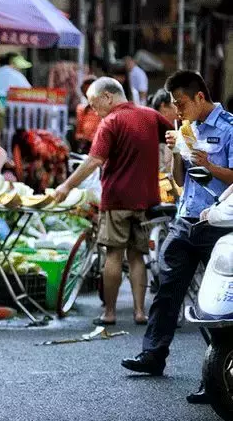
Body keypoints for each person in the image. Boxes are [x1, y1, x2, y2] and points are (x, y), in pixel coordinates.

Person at [122, 71, 233, 403]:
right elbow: (180, 180)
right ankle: (153, 355)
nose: (177, 111)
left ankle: (217, 375)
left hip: (219, 223)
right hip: (186, 219)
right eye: (173, 105)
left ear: (199, 97)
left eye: (181, 103)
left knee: (213, 304)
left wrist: (209, 165)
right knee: (168, 287)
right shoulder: (189, 128)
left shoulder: (229, 128)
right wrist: (177, 152)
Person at [53, 77, 172, 327]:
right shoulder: (151, 116)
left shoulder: (111, 122)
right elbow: (174, 132)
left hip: (117, 199)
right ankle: (140, 312)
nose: (94, 111)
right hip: (147, 200)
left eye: (95, 104)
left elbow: (94, 161)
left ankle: (109, 313)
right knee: (138, 256)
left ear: (108, 96)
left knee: (114, 255)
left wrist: (66, 186)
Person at [149, 89, 177, 174]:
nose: (178, 107)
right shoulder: (151, 130)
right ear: (163, 106)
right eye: (175, 104)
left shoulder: (176, 127)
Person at [75, 76, 100, 153]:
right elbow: (78, 134)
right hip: (86, 147)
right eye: (86, 92)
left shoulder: (105, 110)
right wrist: (85, 138)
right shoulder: (81, 109)